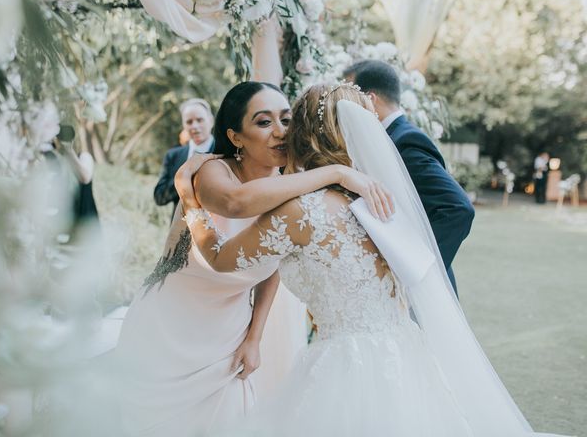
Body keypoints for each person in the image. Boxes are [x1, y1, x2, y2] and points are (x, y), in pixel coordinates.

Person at [176, 83, 567, 437]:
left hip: (348, 366)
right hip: (406, 353)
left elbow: (220, 258)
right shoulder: (379, 200)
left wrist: (190, 200)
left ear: (305, 135)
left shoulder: (301, 211)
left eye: (290, 122)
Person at [113, 82, 393, 437]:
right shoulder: (213, 172)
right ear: (236, 136)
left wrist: (253, 337)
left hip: (228, 333)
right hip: (171, 325)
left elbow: (276, 260)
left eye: (286, 120)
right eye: (263, 122)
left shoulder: (290, 184)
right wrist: (335, 172)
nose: (280, 132)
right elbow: (235, 203)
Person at [344, 59, 474, 295]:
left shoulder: (405, 141)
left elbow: (458, 208)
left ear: (370, 99)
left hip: (418, 292)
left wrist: (415, 273)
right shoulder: (381, 140)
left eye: (349, 98)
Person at [153, 98, 216, 214]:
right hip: (179, 229)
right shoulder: (173, 155)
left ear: (211, 121)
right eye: (189, 122)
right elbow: (159, 197)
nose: (195, 126)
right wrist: (184, 177)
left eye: (200, 120)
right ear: (183, 125)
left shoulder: (223, 152)